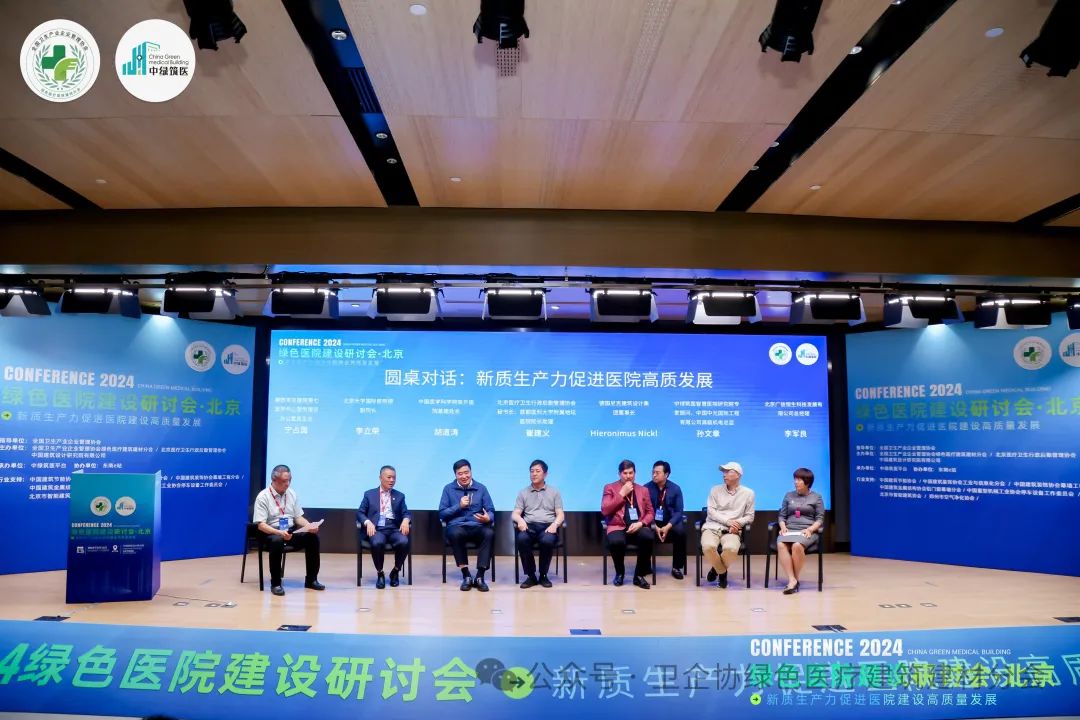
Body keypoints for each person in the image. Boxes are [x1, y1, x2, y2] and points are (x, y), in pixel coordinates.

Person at [252, 464, 324, 596]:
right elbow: (261, 525)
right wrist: (279, 532)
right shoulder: (263, 497)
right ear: (274, 480)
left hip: (289, 532)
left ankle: (311, 580)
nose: (288, 484)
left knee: (312, 538)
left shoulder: (291, 493)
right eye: (284, 481)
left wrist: (309, 526)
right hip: (271, 534)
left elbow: (298, 517)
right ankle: (276, 583)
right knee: (277, 541)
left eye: (289, 480)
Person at [438, 459, 496, 592]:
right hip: (457, 526)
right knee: (455, 533)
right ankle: (466, 575)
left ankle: (480, 576)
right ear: (455, 475)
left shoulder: (481, 488)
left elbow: (491, 510)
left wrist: (488, 517)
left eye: (466, 472)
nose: (464, 476)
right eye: (460, 474)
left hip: (477, 526)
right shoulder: (448, 489)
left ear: (471, 472)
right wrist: (459, 506)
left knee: (489, 533)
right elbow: (442, 513)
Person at [600, 459, 655, 589]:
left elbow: (650, 512)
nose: (628, 476)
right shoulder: (610, 488)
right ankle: (620, 573)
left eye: (631, 473)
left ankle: (639, 575)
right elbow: (605, 510)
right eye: (625, 473)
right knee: (616, 542)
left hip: (637, 526)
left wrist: (641, 523)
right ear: (619, 474)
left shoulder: (643, 490)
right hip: (617, 526)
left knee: (648, 536)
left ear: (635, 473)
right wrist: (621, 494)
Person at [700, 461, 755, 589]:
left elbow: (750, 516)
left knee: (731, 549)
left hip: (732, 530)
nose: (724, 474)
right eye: (723, 472)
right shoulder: (715, 490)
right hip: (712, 527)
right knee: (708, 546)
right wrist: (727, 521)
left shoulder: (748, 493)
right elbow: (711, 512)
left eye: (728, 471)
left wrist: (737, 523)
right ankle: (722, 572)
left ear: (738, 475)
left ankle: (715, 569)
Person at [512, 459, 565, 589]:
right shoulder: (523, 492)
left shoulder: (554, 492)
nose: (534, 474)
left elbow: (560, 514)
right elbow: (515, 513)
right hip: (529, 527)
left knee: (547, 541)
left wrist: (555, 524)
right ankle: (531, 576)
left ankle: (543, 575)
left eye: (537, 471)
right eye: (532, 471)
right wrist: (520, 520)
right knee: (522, 539)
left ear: (545, 474)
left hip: (547, 527)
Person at [356, 465, 412, 589]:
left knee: (404, 542)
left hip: (394, 528)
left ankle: (395, 571)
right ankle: (380, 573)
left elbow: (406, 513)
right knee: (377, 543)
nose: (392, 480)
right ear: (380, 478)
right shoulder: (369, 494)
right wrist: (367, 522)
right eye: (389, 477)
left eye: (394, 478)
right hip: (377, 528)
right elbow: (360, 513)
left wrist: (406, 520)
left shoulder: (400, 496)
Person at [776, 467, 825, 594]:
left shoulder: (816, 497)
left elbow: (820, 519)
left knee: (797, 545)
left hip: (807, 530)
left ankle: (794, 580)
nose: (795, 482)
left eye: (799, 480)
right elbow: (782, 516)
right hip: (790, 529)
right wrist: (783, 526)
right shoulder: (788, 495)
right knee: (780, 544)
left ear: (807, 482)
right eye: (795, 479)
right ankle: (792, 580)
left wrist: (811, 529)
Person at [644, 460, 686, 579]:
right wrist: (654, 525)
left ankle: (676, 567)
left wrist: (668, 526)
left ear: (666, 474)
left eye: (657, 473)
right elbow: (644, 511)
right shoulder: (646, 488)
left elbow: (679, 511)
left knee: (680, 532)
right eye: (653, 472)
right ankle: (645, 565)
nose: (654, 475)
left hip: (670, 523)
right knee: (644, 532)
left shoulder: (675, 489)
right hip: (652, 522)